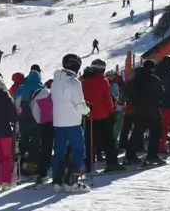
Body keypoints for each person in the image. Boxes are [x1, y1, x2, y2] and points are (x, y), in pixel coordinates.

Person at [50, 54, 91, 193]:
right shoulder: (74, 83)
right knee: (79, 149)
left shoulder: (55, 82)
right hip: (72, 122)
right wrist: (87, 111)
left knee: (59, 152)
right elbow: (79, 105)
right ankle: (71, 182)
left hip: (58, 122)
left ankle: (57, 180)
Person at [81, 59, 125, 173]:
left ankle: (89, 165)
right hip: (103, 115)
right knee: (109, 141)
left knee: (89, 141)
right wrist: (111, 112)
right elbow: (107, 99)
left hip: (88, 115)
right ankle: (112, 164)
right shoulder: (103, 81)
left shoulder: (83, 81)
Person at [123, 60, 165, 165]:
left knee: (137, 133)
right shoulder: (154, 79)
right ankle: (152, 155)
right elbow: (161, 93)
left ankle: (130, 155)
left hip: (138, 111)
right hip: (153, 110)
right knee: (155, 132)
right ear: (152, 68)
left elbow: (126, 92)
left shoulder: (135, 78)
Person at [13, 67, 44, 174]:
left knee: (22, 143)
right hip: (38, 121)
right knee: (35, 144)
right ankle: (31, 166)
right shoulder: (42, 88)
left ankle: (18, 166)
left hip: (23, 121)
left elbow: (14, 100)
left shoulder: (21, 88)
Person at [30, 79, 54, 184]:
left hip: (45, 125)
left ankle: (42, 174)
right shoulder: (51, 94)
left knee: (45, 148)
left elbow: (36, 116)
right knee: (59, 147)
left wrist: (40, 122)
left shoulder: (35, 100)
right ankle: (60, 172)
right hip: (57, 122)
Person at [156, 55, 170, 153]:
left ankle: (160, 146)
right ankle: (161, 147)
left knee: (163, 127)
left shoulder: (156, 72)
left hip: (160, 104)